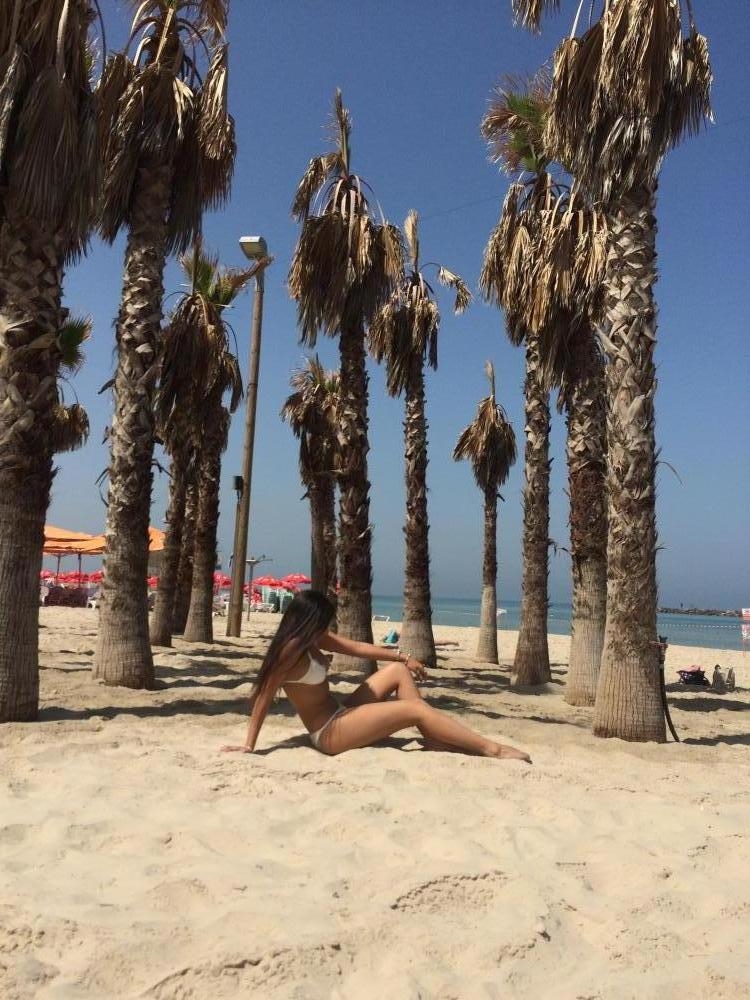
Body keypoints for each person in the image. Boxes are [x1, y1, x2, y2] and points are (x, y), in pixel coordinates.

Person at [221, 590, 531, 762]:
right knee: (415, 709)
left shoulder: (313, 638)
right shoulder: (289, 651)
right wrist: (249, 745)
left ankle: (434, 739)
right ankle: (493, 749)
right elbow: (263, 696)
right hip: (329, 733)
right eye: (324, 621)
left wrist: (404, 657)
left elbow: (358, 648)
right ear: (309, 620)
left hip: (341, 713)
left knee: (397, 672)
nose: (327, 627)